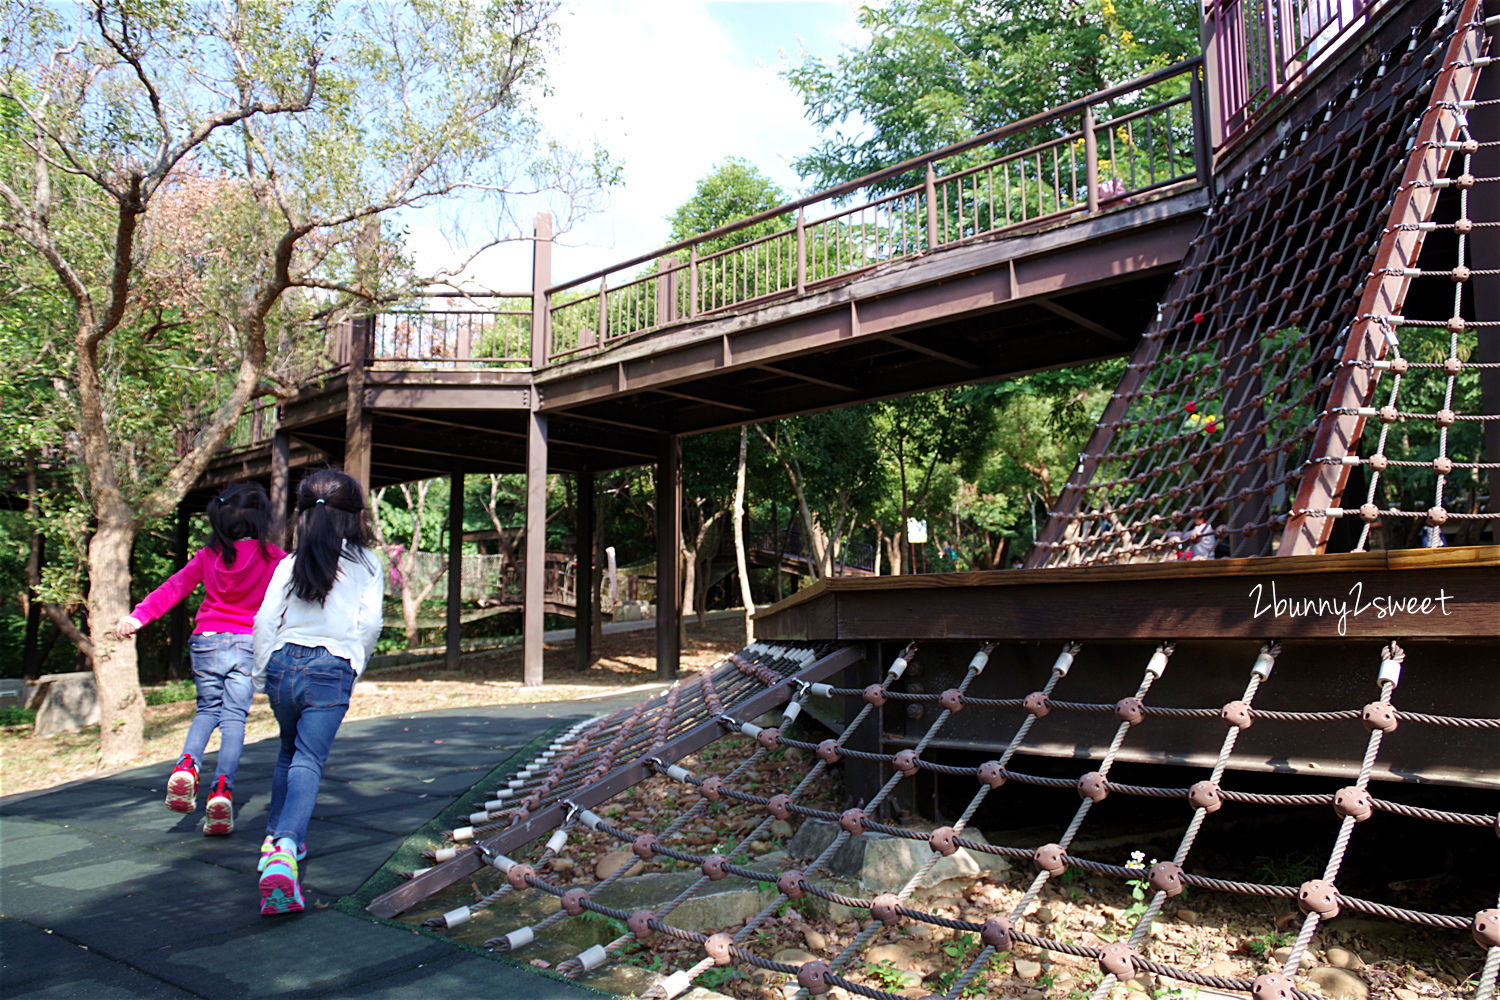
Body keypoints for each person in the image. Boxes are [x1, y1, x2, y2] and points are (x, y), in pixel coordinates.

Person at [114, 483, 286, 834]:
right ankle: (222, 790)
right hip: (246, 644)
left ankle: (185, 766)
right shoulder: (275, 559)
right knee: (234, 719)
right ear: (262, 518)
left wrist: (138, 616)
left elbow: (174, 587)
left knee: (207, 710)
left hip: (206, 642)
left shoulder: (208, 557)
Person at [252, 470, 384, 916]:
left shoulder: (289, 563)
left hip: (284, 663)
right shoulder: (366, 564)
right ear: (354, 517)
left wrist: (261, 671)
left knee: (288, 751)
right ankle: (286, 851)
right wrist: (354, 663)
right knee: (308, 759)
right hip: (331, 668)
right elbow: (369, 625)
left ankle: (273, 839)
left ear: (304, 516)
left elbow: (265, 620)